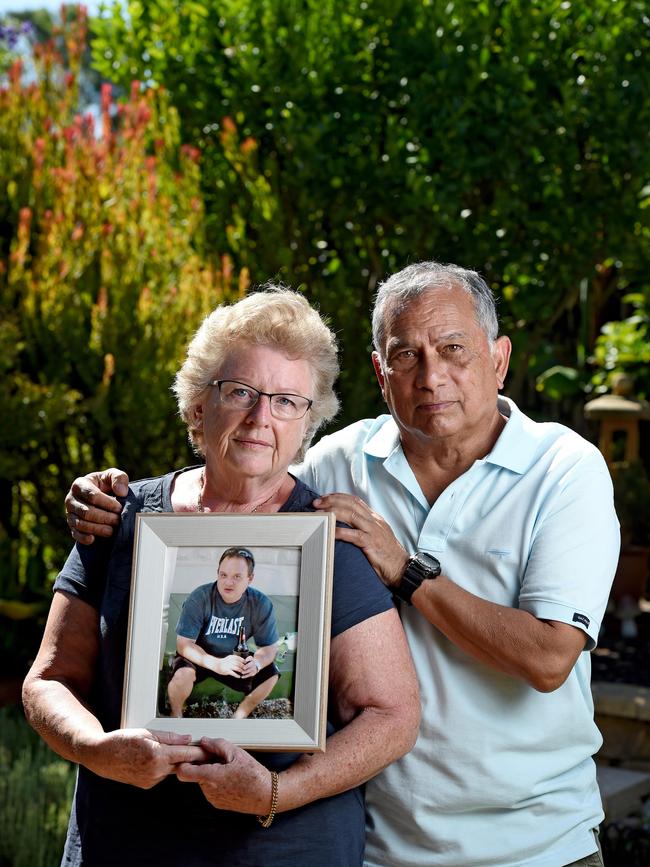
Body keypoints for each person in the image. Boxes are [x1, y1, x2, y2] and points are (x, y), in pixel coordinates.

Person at [66, 261, 620, 867]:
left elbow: (549, 658)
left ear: (499, 359)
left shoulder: (565, 469)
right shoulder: (341, 461)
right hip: (380, 845)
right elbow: (243, 461)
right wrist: (111, 499)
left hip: (534, 844)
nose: (432, 376)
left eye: (454, 349)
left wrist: (406, 572)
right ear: (382, 374)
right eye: (406, 355)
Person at [23, 288, 420, 867]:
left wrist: (275, 793)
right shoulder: (122, 517)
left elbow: (392, 716)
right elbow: (48, 680)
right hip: (124, 846)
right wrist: (96, 749)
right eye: (241, 392)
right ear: (197, 406)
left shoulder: (330, 540)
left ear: (307, 423)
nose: (262, 418)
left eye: (287, 401)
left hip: (286, 849)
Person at [167, 547, 281, 719]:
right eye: (223, 575)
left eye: (237, 576)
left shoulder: (260, 604)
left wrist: (256, 663)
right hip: (200, 655)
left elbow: (269, 648)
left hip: (234, 657)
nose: (228, 582)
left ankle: (239, 716)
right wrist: (217, 664)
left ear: (250, 578)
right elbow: (183, 644)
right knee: (183, 674)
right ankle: (175, 714)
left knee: (271, 673)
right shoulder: (200, 597)